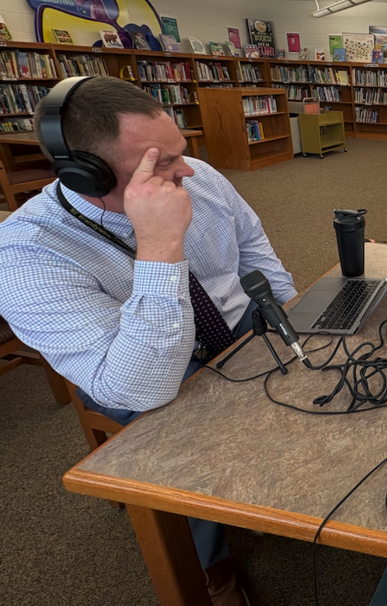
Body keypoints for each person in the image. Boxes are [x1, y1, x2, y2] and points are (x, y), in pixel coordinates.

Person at [0, 76, 296, 606]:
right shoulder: (25, 255)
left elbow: (251, 240)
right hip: (142, 370)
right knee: (191, 440)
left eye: (179, 152)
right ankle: (211, 564)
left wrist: (288, 310)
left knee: (326, 379)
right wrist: (160, 245)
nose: (185, 171)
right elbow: (139, 388)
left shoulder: (196, 175)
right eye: (159, 163)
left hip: (237, 319)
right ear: (83, 174)